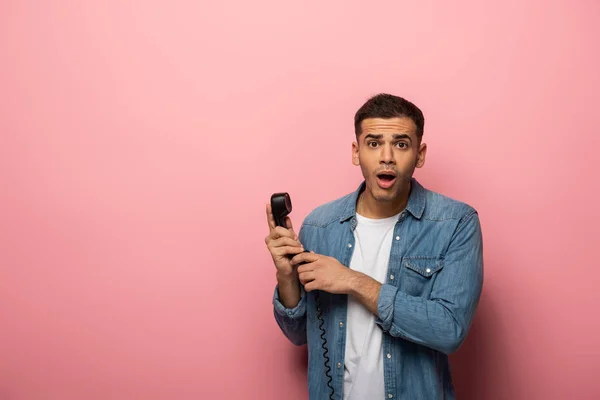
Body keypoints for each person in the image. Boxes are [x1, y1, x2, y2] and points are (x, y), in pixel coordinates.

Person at [264, 93, 484, 400]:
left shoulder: (456, 222)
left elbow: (449, 330)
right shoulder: (319, 226)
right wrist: (286, 277)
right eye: (373, 143)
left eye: (401, 144)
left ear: (419, 155)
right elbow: (300, 334)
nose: (387, 157)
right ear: (356, 152)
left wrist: (353, 281)